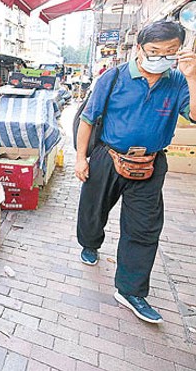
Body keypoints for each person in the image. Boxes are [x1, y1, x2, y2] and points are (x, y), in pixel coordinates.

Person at [75, 21, 196, 324]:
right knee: (93, 209)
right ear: (140, 49)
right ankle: (90, 243)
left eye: (170, 51)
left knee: (144, 228)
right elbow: (89, 119)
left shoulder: (179, 81)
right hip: (108, 156)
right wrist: (81, 159)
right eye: (155, 51)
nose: (162, 57)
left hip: (152, 164)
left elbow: (193, 116)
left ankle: (130, 290)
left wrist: (193, 78)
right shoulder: (113, 77)